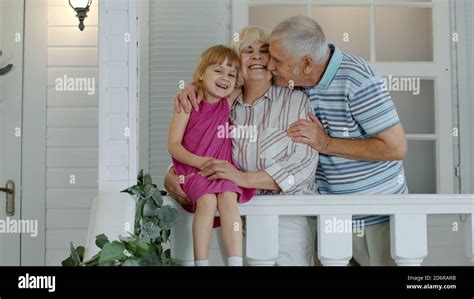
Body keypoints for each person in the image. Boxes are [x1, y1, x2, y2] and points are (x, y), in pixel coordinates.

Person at [165, 26, 319, 266]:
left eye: (264, 50)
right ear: (239, 64)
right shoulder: (221, 102)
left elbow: (304, 164)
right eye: (248, 50)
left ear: (274, 61)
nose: (256, 55)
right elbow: (194, 143)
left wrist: (244, 179)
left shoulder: (295, 100)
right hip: (237, 215)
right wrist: (173, 175)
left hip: (284, 218)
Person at [269, 15, 408, 266]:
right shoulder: (292, 82)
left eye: (277, 61)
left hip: (377, 218)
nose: (270, 66)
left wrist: (325, 143)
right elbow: (236, 79)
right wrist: (197, 89)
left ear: (307, 63)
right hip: (329, 217)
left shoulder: (358, 79)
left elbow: (396, 147)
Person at [167, 45, 255, 267]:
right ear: (201, 73)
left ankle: (235, 262)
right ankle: (201, 262)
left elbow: (249, 75)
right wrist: (199, 162)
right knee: (206, 202)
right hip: (193, 170)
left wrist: (243, 60)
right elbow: (173, 145)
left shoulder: (227, 100)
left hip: (221, 170)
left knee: (228, 199)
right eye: (218, 70)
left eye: (231, 74)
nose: (225, 78)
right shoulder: (188, 104)